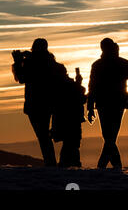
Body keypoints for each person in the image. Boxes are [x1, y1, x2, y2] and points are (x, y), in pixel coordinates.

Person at [11, 38, 60, 166]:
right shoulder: (51, 61)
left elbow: (21, 78)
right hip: (48, 104)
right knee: (44, 135)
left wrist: (17, 62)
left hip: (34, 104)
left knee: (42, 135)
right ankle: (51, 162)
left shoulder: (32, 62)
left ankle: (50, 163)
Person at [87, 38, 128, 169]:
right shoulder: (122, 63)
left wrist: (90, 108)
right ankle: (114, 166)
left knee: (109, 137)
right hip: (115, 103)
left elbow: (92, 88)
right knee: (110, 137)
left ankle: (104, 166)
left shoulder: (97, 65)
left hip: (105, 104)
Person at [51, 67, 86, 168]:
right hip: (73, 118)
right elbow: (80, 96)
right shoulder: (67, 85)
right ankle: (72, 163)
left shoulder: (56, 86)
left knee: (69, 143)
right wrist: (78, 82)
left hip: (63, 118)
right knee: (72, 143)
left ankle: (67, 163)